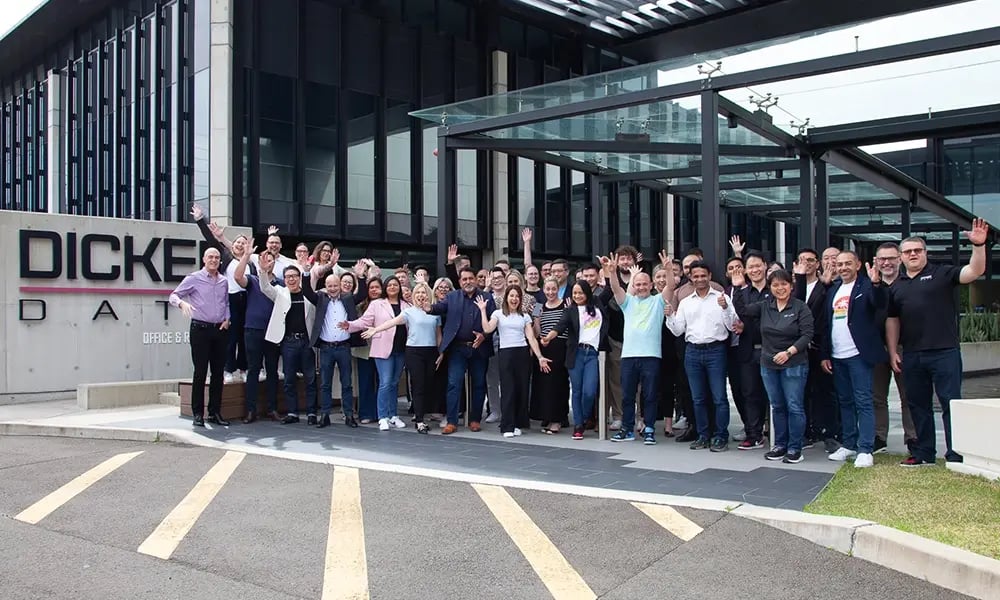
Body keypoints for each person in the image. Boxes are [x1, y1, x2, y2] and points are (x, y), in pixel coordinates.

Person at [887, 220, 989, 467]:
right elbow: (892, 320)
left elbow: (974, 272)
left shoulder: (943, 273)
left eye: (917, 250)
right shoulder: (897, 286)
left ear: (925, 253)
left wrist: (979, 245)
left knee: (950, 403)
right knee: (918, 405)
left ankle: (956, 453)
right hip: (912, 354)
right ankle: (924, 453)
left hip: (944, 352)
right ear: (901, 257)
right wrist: (892, 352)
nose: (913, 254)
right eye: (908, 251)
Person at [732, 268, 813, 463]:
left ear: (791, 286)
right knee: (777, 406)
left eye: (784, 284)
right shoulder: (765, 306)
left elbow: (807, 334)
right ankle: (780, 445)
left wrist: (789, 352)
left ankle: (795, 448)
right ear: (770, 288)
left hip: (793, 363)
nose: (780, 288)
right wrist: (738, 287)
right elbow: (742, 310)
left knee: (794, 406)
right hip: (768, 364)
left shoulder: (800, 307)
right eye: (775, 285)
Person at [820, 252, 887, 468]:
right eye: (839, 264)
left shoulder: (867, 286)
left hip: (859, 355)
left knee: (863, 401)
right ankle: (849, 443)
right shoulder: (833, 290)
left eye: (848, 263)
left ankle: (865, 448)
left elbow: (879, 305)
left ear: (858, 264)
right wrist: (825, 354)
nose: (843, 267)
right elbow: (826, 325)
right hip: (837, 356)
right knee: (845, 401)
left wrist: (877, 284)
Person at [665, 261, 737, 452]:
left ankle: (720, 435)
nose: (699, 279)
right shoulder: (687, 302)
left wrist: (725, 308)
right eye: (695, 276)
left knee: (719, 397)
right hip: (693, 352)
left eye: (703, 275)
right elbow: (678, 330)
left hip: (716, 351)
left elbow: (732, 325)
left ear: (710, 276)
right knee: (698, 398)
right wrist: (670, 316)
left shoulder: (721, 298)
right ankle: (703, 435)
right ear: (691, 278)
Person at [604, 251, 672, 445]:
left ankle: (649, 428)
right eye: (638, 284)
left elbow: (671, 287)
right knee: (627, 395)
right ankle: (627, 428)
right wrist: (613, 271)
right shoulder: (628, 302)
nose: (641, 287)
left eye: (645, 284)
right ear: (633, 286)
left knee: (649, 395)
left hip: (651, 356)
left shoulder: (658, 301)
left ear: (651, 286)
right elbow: (615, 288)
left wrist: (667, 270)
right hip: (629, 356)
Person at [360, 282, 442, 434]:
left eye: (423, 292)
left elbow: (438, 335)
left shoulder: (435, 312)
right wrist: (375, 330)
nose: (421, 295)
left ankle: (419, 414)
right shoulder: (408, 312)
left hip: (431, 352)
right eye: (417, 292)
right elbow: (391, 322)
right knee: (417, 385)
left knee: (428, 385)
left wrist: (441, 352)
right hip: (414, 351)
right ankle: (418, 420)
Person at [477, 286, 551, 438]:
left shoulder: (525, 316)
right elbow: (488, 328)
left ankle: (518, 423)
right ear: (506, 298)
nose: (514, 299)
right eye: (511, 296)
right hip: (506, 353)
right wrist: (483, 310)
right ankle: (507, 426)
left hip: (522, 353)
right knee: (508, 390)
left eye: (517, 296)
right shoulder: (498, 314)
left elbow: (531, 338)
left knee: (522, 390)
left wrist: (539, 356)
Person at [169, 247, 231, 427]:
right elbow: (173, 295)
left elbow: (225, 303)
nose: (213, 260)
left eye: (217, 257)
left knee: (218, 373)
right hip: (200, 330)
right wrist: (182, 304)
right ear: (204, 259)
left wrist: (228, 318)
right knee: (200, 372)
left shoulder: (223, 281)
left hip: (219, 330)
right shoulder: (194, 278)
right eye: (210, 256)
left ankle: (214, 412)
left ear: (220, 261)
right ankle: (198, 413)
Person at [428, 267, 494, 433]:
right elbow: (438, 308)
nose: (468, 282)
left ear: (475, 280)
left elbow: (494, 322)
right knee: (453, 384)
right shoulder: (452, 297)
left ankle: (475, 419)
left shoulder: (486, 297)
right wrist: (427, 307)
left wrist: (484, 336)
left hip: (479, 348)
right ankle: (451, 421)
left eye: (470, 278)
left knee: (479, 384)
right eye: (464, 279)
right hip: (457, 348)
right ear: (459, 282)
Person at [342, 276, 410, 431]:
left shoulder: (406, 305)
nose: (392, 287)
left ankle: (393, 415)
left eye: (395, 285)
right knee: (385, 383)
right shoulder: (377, 304)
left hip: (400, 348)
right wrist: (350, 325)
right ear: (385, 288)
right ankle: (383, 417)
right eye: (389, 285)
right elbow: (364, 322)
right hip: (382, 348)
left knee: (394, 383)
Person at [543, 280, 609, 440]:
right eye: (575, 293)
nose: (577, 296)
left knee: (590, 391)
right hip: (576, 354)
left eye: (580, 293)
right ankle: (578, 425)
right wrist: (548, 337)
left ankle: (586, 417)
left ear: (587, 293)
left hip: (593, 354)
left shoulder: (597, 305)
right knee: (577, 391)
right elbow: (559, 326)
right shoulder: (570, 311)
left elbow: (610, 291)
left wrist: (609, 273)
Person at [259, 254, 319, 425]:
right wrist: (263, 271)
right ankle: (292, 412)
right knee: (289, 378)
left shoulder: (308, 294)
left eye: (294, 276)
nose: (291, 279)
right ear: (284, 279)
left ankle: (312, 413)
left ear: (299, 278)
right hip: (289, 342)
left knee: (310, 378)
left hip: (307, 341)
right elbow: (264, 287)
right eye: (288, 277)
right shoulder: (280, 293)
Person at [793, 247, 840, 453]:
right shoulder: (793, 285)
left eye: (811, 260)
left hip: (820, 346)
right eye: (802, 259)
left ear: (817, 263)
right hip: (798, 348)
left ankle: (830, 433)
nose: (807, 263)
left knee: (824, 392)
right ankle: (805, 432)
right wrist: (799, 278)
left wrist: (827, 284)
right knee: (801, 392)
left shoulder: (827, 285)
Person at [871, 242, 917, 451]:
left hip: (904, 348)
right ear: (876, 262)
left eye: (891, 258)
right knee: (876, 397)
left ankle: (913, 438)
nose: (887, 263)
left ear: (899, 258)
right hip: (876, 349)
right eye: (882, 259)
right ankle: (879, 437)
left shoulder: (909, 283)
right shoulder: (870, 285)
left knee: (908, 395)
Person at [312, 265, 364, 429]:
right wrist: (308, 272)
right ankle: (325, 415)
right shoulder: (320, 298)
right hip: (326, 348)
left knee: (347, 383)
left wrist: (360, 277)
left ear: (340, 286)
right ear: (325, 287)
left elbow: (362, 294)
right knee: (325, 384)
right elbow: (306, 291)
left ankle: (349, 415)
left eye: (335, 285)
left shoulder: (347, 298)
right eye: (330, 286)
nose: (333, 288)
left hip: (343, 347)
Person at [233, 246, 280, 423]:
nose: (267, 262)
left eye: (270, 260)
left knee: (272, 370)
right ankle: (251, 410)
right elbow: (237, 277)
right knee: (253, 369)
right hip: (253, 330)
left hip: (273, 331)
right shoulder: (252, 280)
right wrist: (246, 256)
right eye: (264, 259)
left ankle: (272, 409)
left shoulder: (281, 284)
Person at [532, 277, 570, 433]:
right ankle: (546, 416)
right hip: (543, 347)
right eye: (547, 289)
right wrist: (537, 319)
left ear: (558, 289)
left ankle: (557, 419)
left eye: (553, 289)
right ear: (543, 289)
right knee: (543, 385)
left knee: (558, 384)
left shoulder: (566, 304)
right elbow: (535, 332)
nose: (550, 292)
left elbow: (568, 326)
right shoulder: (538, 306)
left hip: (560, 347)